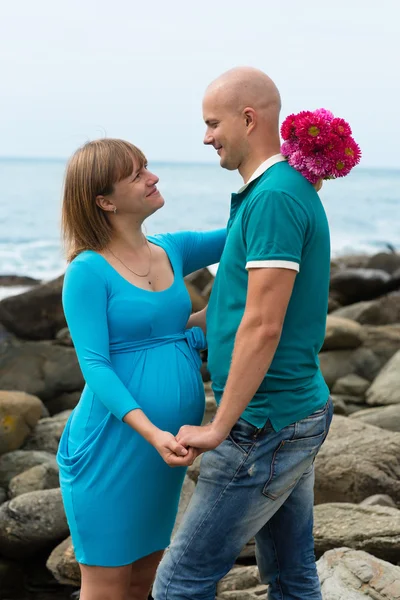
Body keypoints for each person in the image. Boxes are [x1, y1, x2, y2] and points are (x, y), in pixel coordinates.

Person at [153, 67, 333, 600]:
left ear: (248, 118)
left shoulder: (274, 197)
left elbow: (263, 323)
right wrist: (171, 333)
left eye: (212, 123)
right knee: (292, 576)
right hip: (289, 413)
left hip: (264, 422)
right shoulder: (272, 192)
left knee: (178, 585)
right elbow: (236, 308)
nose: (206, 137)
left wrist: (217, 428)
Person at [56, 138, 226, 600]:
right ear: (105, 201)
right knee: (107, 583)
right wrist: (151, 432)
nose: (152, 177)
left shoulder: (171, 249)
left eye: (146, 167)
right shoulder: (87, 272)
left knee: (143, 577)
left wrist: (305, 169)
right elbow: (95, 364)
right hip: (115, 444)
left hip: (164, 447)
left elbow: (247, 230)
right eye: (136, 175)